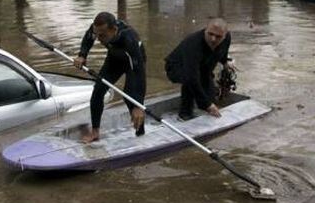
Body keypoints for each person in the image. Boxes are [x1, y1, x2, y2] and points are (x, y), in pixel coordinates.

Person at [74, 12, 147, 143]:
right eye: (97, 34)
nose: (99, 39)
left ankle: (140, 131)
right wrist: (82, 55)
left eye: (102, 36)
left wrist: (138, 104)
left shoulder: (129, 39)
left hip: (134, 62)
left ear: (113, 30)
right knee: (98, 91)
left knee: (129, 95)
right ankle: (95, 132)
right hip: (114, 59)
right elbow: (88, 37)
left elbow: (138, 73)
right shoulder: (98, 29)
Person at [164, 18, 236, 121]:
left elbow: (223, 51)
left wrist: (225, 62)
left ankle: (206, 106)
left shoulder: (227, 38)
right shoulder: (193, 44)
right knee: (189, 82)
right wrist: (207, 104)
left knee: (208, 88)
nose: (213, 39)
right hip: (176, 66)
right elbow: (191, 78)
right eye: (210, 34)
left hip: (201, 65)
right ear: (205, 30)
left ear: (224, 36)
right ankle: (184, 114)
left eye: (218, 37)